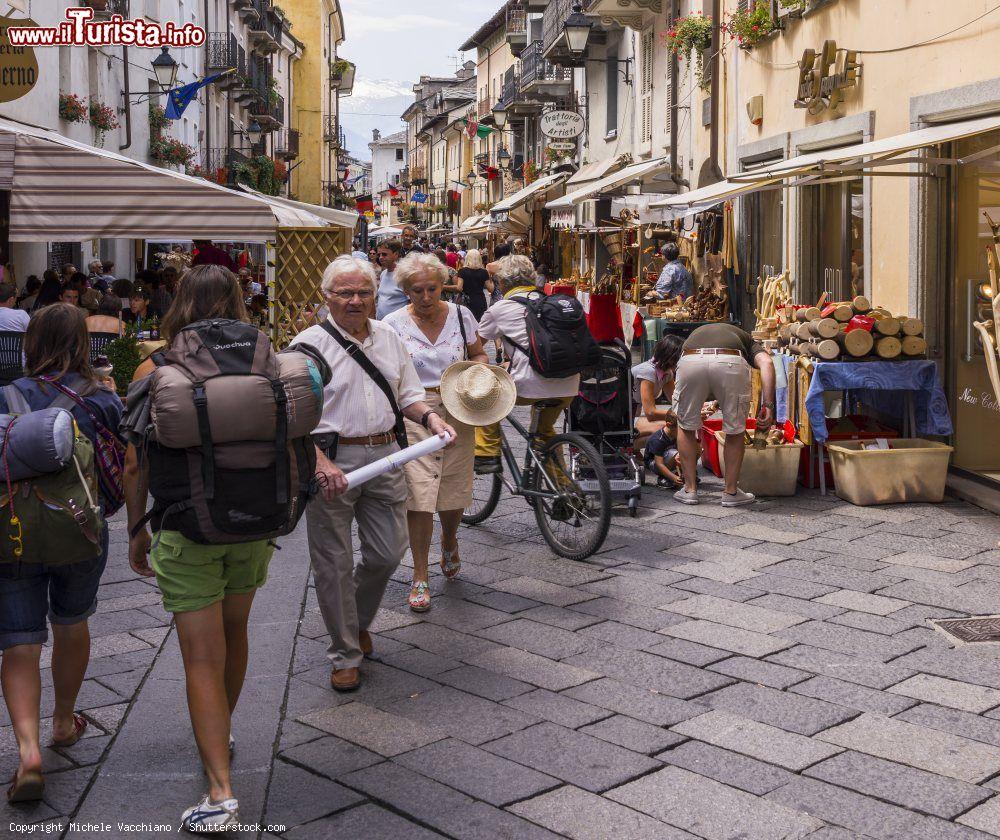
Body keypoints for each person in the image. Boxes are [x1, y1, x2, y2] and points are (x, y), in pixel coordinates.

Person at [124, 265, 271, 832]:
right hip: (253, 522)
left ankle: (220, 791)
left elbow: (135, 459)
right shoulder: (264, 356)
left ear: (180, 303)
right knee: (235, 636)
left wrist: (137, 528)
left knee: (200, 657)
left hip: (187, 526)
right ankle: (221, 733)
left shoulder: (156, 367)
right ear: (237, 302)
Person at [289, 255, 454, 692]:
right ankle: (346, 651)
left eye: (364, 292)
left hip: (386, 457)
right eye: (345, 293)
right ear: (327, 298)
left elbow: (409, 394)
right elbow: (288, 417)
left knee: (387, 552)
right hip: (330, 462)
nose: (355, 301)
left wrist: (430, 419)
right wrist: (317, 461)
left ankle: (356, 620)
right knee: (334, 564)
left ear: (375, 296)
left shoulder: (388, 337)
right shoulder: (306, 346)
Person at [0, 303, 122, 804]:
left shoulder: (5, 394)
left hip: (14, 533)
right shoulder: (102, 400)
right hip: (79, 532)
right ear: (82, 344)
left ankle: (27, 751)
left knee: (19, 643)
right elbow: (122, 467)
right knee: (72, 624)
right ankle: (63, 721)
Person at [383, 253, 487, 612]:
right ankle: (420, 574)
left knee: (454, 488)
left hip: (459, 407)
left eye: (432, 288)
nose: (425, 297)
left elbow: (479, 354)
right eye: (417, 290)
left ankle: (450, 538)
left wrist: (478, 376)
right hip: (415, 412)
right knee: (419, 494)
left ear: (443, 285)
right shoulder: (392, 324)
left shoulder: (461, 315)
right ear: (405, 291)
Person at [474, 255, 580, 474]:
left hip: (530, 386)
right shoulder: (552, 301)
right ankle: (564, 491)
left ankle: (486, 453)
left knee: (485, 397)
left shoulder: (499, 309)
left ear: (502, 283)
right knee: (544, 433)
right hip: (569, 383)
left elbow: (474, 347)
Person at [673, 322, 775, 507]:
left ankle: (689, 490)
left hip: (691, 360)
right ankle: (730, 492)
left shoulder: (697, 333)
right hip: (730, 362)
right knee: (735, 430)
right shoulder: (747, 339)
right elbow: (766, 362)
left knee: (686, 426)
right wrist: (768, 404)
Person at [632, 336, 683, 423]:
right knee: (669, 428)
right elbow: (651, 413)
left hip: (636, 415)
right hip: (624, 419)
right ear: (670, 358)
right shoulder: (647, 372)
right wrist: (682, 415)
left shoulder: (667, 373)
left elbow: (676, 401)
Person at [375, 239, 408, 320]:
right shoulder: (383, 274)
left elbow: (413, 303)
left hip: (399, 326)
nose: (381, 258)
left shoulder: (404, 275)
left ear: (396, 254)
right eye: (379, 255)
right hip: (382, 325)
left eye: (384, 254)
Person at [456, 249, 490, 321]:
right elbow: (490, 288)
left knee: (467, 323)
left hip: (467, 300)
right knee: (479, 323)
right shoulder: (484, 272)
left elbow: (459, 288)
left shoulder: (462, 271)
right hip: (480, 300)